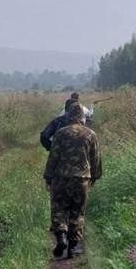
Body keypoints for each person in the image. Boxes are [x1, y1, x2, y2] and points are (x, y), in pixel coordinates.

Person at [43, 100, 103, 258]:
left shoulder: (61, 133)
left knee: (59, 209)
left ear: (69, 116)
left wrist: (48, 177)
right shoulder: (91, 135)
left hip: (60, 178)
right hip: (81, 180)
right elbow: (95, 158)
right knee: (77, 212)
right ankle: (73, 248)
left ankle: (61, 236)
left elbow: (53, 157)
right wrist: (95, 177)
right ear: (83, 117)